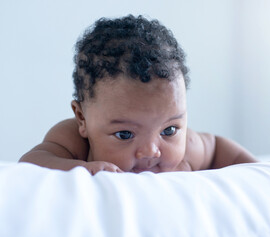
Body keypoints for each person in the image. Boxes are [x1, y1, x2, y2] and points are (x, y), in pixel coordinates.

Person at [19, 15, 256, 175]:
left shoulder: (191, 148)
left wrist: (258, 171)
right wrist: (82, 169)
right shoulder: (73, 140)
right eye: (125, 134)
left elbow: (222, 149)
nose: (152, 152)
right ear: (82, 119)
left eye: (169, 130)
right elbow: (30, 163)